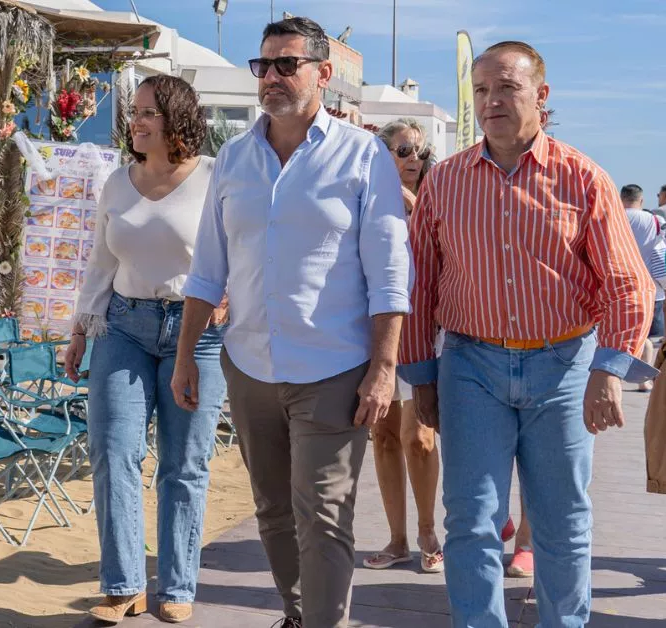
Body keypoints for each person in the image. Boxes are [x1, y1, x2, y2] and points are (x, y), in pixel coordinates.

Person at [399, 41, 656, 627]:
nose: (491, 102)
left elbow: (627, 283)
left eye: (506, 88)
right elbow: (420, 287)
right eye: (482, 90)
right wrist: (421, 376)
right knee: (470, 518)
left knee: (563, 519)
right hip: (470, 366)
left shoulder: (583, 178)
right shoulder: (445, 184)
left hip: (564, 365)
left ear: (541, 96)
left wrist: (609, 370)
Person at [172, 17, 411, 628]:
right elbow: (206, 271)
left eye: (286, 65)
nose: (271, 77)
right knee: (273, 507)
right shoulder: (231, 159)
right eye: (263, 66)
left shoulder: (364, 157)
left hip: (334, 366)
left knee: (325, 511)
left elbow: (390, 274)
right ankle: (297, 612)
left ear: (323, 75)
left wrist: (384, 369)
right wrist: (184, 358)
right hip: (249, 363)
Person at [63, 74, 228, 625]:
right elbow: (101, 262)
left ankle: (177, 585)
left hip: (197, 332)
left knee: (184, 465)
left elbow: (240, 246)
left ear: (177, 119)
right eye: (134, 111)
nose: (136, 120)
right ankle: (123, 585)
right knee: (113, 455)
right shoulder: (116, 182)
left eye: (148, 112)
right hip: (124, 328)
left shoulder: (212, 176)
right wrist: (81, 329)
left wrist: (234, 294)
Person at [362, 118, 443, 574]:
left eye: (419, 151)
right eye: (404, 150)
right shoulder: (366, 196)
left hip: (420, 333)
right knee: (385, 436)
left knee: (420, 439)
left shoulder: (437, 195)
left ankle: (428, 530)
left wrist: (413, 209)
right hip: (375, 330)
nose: (414, 159)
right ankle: (396, 540)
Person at [621, 184, 666, 393]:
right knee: (645, 338)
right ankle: (643, 380)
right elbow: (658, 255)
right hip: (648, 288)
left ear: (622, 199)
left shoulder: (613, 216)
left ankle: (613, 377)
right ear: (641, 200)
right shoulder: (654, 221)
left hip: (616, 287)